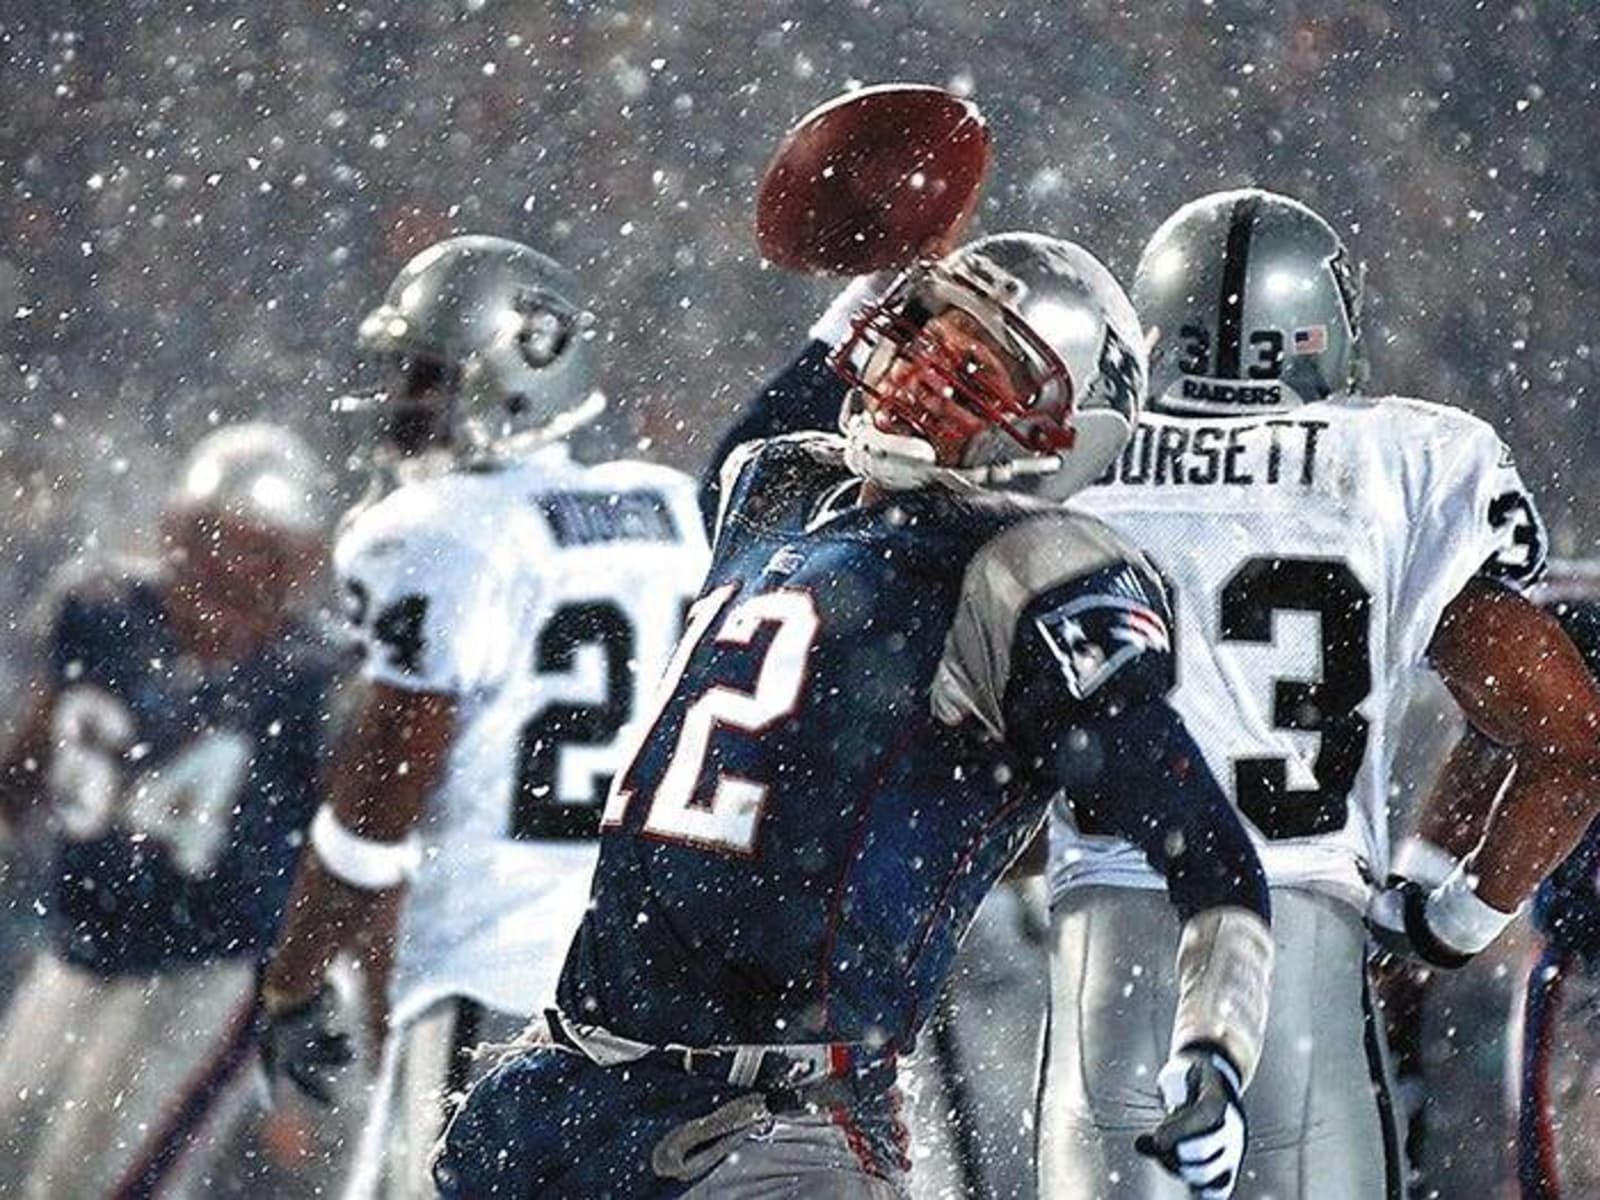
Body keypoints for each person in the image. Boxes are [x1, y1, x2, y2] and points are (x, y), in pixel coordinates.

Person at [433, 232, 1276, 1200]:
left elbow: (1213, 861)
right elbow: (748, 448)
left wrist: (1214, 1053)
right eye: (922, 335)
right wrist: (887, 254)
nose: (920, 374)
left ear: (1062, 433)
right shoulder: (783, 492)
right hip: (567, 1085)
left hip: (773, 1128)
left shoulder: (1020, 575)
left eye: (971, 371)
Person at [1044, 188, 1600, 1200]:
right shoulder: (1396, 464)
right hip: (1299, 947)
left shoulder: (1065, 464)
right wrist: (1453, 920)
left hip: (1108, 956)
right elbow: (1570, 743)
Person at [255, 235, 710, 1199]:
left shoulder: (442, 534)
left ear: (514, 376)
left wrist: (294, 977)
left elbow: (378, 808)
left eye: (426, 378)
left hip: (502, 988)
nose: (403, 407)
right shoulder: (676, 514)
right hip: (666, 992)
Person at [0, 423, 340, 1197]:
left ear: (299, 569)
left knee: (92, 1185)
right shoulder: (103, 612)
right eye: (216, 540)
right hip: (77, 948)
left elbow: (355, 861)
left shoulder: (312, 677)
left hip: (206, 973)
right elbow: (27, 758)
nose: (231, 569)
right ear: (176, 532)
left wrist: (307, 1014)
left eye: (262, 554)